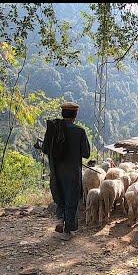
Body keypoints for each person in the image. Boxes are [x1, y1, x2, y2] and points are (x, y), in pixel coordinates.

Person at [48, 101, 90, 241]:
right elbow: (86, 153)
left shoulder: (53, 129)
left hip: (56, 170)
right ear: (75, 115)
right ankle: (67, 231)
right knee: (72, 198)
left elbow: (45, 149)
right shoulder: (79, 131)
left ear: (62, 113)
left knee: (59, 195)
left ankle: (60, 219)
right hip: (72, 172)